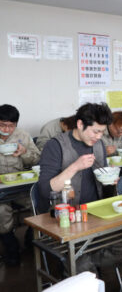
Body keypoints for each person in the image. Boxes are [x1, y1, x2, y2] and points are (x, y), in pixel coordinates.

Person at [37, 103, 114, 213]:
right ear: (80, 124)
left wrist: (110, 180)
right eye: (96, 131)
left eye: (102, 132)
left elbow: (103, 186)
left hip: (95, 210)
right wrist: (75, 166)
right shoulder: (55, 146)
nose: (99, 137)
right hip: (65, 214)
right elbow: (45, 190)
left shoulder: (99, 144)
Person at [0, 104, 40, 266]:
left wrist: (24, 153)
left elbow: (37, 159)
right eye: (2, 124)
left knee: (37, 204)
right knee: (1, 212)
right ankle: (11, 247)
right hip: (1, 190)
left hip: (20, 186)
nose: (7, 129)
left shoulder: (23, 135)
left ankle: (31, 239)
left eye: (11, 125)